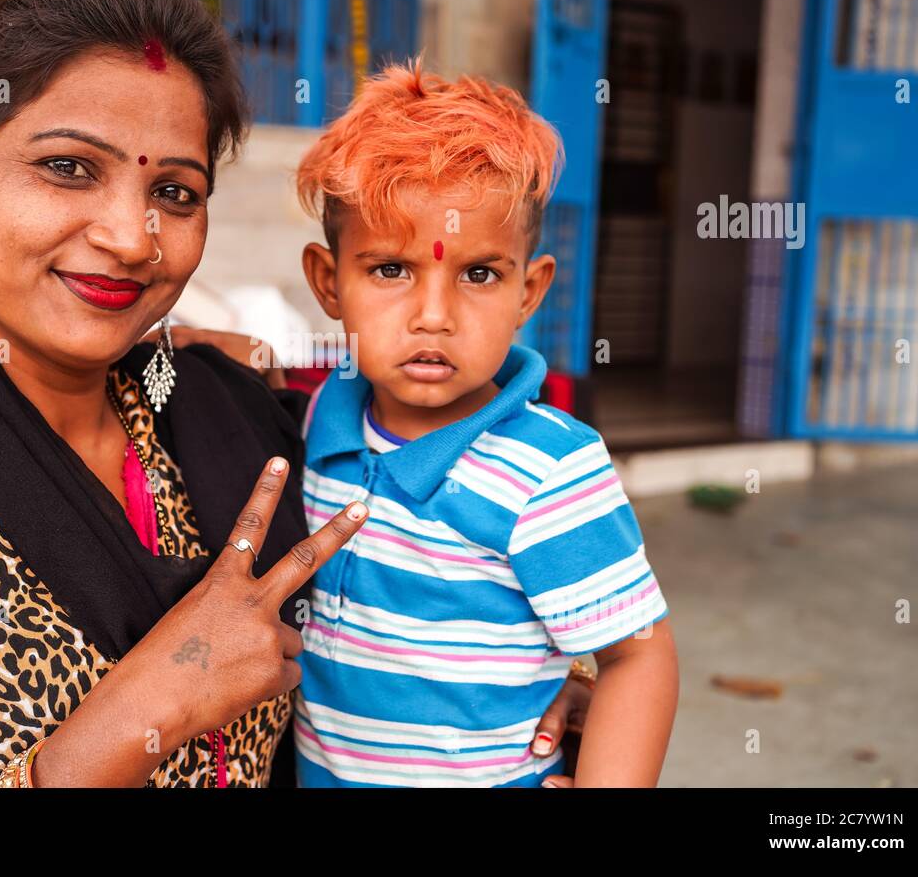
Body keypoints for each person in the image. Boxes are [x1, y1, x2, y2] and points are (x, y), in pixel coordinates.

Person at [0, 0, 594, 788]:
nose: (131, 237)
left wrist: (503, 692)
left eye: (175, 193)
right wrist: (149, 708)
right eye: (68, 168)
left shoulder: (235, 422)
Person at [287, 61, 679, 786]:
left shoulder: (550, 471)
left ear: (528, 292)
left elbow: (639, 654)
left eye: (478, 275)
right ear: (327, 282)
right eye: (389, 270)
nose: (434, 316)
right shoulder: (319, 420)